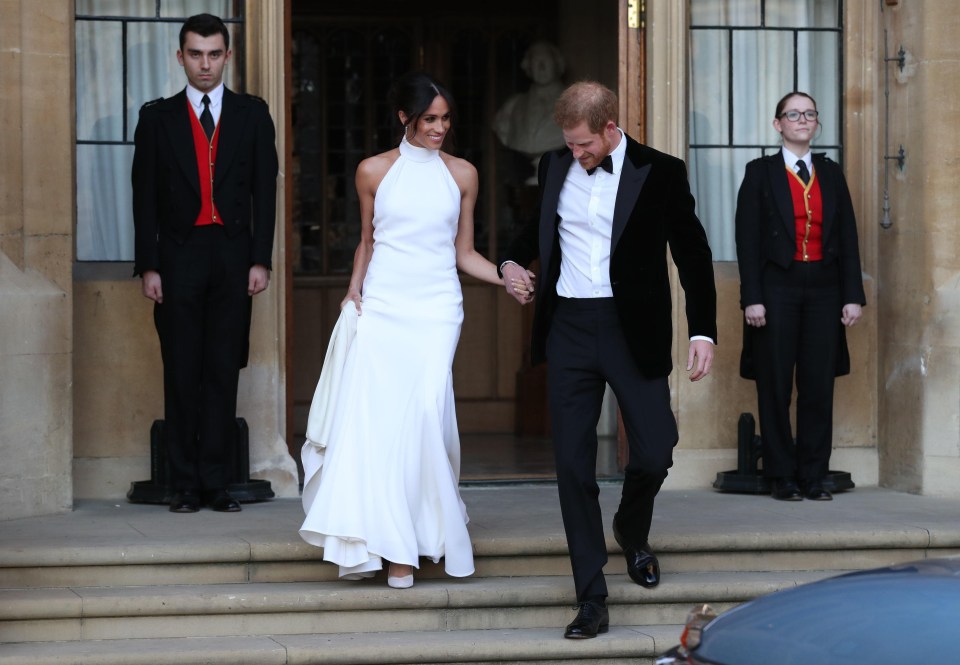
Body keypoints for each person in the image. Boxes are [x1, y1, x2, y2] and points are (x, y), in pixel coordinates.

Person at [500, 82, 717, 639]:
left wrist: (703, 332)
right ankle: (591, 596)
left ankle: (631, 527)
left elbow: (692, 253)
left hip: (631, 331)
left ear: (609, 126)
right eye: (569, 145)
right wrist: (508, 262)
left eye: (584, 145)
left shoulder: (660, 171)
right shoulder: (553, 167)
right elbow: (531, 233)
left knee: (655, 450)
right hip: (569, 327)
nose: (576, 155)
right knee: (572, 466)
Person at [299, 72, 525, 589]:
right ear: (405, 118)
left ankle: (417, 541)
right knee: (380, 427)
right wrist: (354, 291)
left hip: (437, 309)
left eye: (445, 118)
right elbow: (367, 240)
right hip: (384, 306)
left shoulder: (463, 174)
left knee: (425, 417)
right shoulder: (372, 171)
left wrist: (505, 274)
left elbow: (464, 252)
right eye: (429, 119)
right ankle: (394, 550)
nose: (439, 127)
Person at [131, 13, 279, 514]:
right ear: (180, 57)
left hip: (234, 256)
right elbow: (143, 198)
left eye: (214, 54)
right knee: (180, 369)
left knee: (222, 367)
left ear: (228, 57)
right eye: (195, 54)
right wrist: (149, 266)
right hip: (177, 256)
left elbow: (266, 191)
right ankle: (184, 484)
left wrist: (261, 259)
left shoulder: (253, 115)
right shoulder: (157, 117)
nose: (205, 64)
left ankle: (216, 483)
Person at [735, 91, 866, 502]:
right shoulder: (760, 172)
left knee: (817, 384)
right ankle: (781, 475)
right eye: (794, 114)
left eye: (810, 113)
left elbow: (847, 236)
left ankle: (813, 474)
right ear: (779, 125)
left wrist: (852, 295)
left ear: (816, 123)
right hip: (777, 289)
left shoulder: (830, 173)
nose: (803, 120)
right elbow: (747, 239)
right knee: (775, 384)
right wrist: (751, 297)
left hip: (825, 289)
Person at [493, 41, 567, 182]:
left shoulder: (577, 105)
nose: (541, 67)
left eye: (547, 60)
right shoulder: (512, 106)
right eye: (535, 61)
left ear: (558, 64)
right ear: (528, 67)